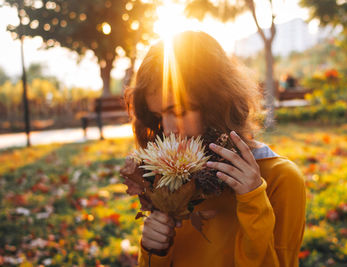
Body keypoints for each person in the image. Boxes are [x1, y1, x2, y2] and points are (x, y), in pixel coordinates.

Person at [123, 31, 306, 267]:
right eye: (159, 116)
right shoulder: (168, 176)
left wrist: (253, 201)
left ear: (217, 102)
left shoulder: (282, 178)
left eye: (179, 112)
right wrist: (153, 250)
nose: (168, 130)